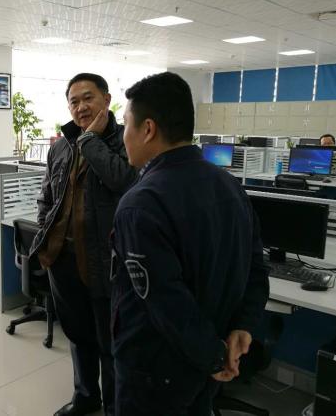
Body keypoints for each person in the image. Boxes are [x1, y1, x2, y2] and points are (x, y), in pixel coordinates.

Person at [111, 71, 270, 415]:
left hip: (156, 371)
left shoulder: (141, 203)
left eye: (125, 124)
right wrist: (242, 326)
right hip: (208, 361)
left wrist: (214, 357)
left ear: (148, 129)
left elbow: (166, 303)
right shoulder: (230, 186)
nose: (123, 136)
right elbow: (256, 268)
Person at [30, 73, 137, 416]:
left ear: (107, 100)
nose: (81, 107)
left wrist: (90, 140)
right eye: (74, 102)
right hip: (63, 257)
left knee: (110, 341)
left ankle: (114, 408)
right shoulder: (61, 146)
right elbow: (47, 196)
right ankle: (86, 396)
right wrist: (45, 232)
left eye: (88, 98)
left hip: (104, 260)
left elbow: (122, 179)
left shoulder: (125, 140)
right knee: (78, 335)